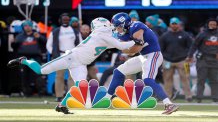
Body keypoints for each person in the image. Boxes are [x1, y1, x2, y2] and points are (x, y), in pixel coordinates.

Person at [7, 17, 143, 114]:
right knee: (41, 70)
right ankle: (24, 60)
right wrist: (135, 41)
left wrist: (131, 40)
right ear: (104, 25)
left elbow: (117, 42)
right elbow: (120, 45)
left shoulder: (104, 36)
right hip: (71, 58)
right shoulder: (102, 35)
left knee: (79, 86)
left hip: (81, 63)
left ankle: (62, 105)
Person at [107, 12, 179, 115]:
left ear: (125, 24)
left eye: (118, 27)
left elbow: (137, 48)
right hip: (143, 57)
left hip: (153, 55)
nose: (117, 29)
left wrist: (123, 48)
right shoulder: (124, 32)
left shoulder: (136, 26)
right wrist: (122, 46)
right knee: (118, 71)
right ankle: (106, 98)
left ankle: (169, 104)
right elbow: (130, 51)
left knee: (148, 79)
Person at [46, 13, 82, 102]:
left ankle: (71, 95)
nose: (65, 21)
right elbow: (48, 45)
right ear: (60, 21)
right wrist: (54, 54)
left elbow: (81, 44)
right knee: (59, 76)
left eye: (67, 20)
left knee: (72, 77)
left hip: (72, 56)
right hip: (60, 56)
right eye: (63, 20)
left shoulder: (75, 31)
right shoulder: (55, 31)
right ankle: (59, 96)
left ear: (69, 21)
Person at [159, 17, 193, 102]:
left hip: (183, 61)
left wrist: (189, 56)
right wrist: (162, 59)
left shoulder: (185, 35)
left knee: (186, 78)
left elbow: (191, 47)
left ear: (179, 24)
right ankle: (168, 97)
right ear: (170, 24)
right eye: (172, 24)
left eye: (175, 23)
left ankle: (188, 96)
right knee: (167, 79)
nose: (174, 25)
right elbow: (160, 49)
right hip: (167, 61)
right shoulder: (165, 36)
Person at [11, 20, 46, 96]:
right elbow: (14, 47)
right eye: (25, 26)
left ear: (31, 26)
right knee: (24, 75)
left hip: (35, 57)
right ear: (23, 27)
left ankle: (41, 92)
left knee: (38, 73)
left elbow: (45, 42)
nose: (27, 27)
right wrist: (13, 43)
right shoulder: (19, 36)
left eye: (29, 25)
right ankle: (26, 93)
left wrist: (40, 37)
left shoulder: (36, 34)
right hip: (23, 58)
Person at [186, 18, 218, 103]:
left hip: (215, 60)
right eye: (211, 24)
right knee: (201, 79)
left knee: (215, 80)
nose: (212, 26)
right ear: (208, 25)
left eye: (214, 25)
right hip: (203, 60)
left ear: (217, 25)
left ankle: (215, 98)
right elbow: (194, 45)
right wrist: (190, 56)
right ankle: (199, 98)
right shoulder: (202, 34)